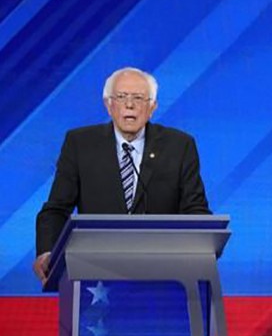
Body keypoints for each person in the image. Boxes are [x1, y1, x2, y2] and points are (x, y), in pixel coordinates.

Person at [33, 67, 211, 283]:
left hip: (163, 274)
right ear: (109, 105)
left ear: (152, 107)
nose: (129, 105)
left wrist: (202, 250)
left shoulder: (179, 146)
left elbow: (195, 210)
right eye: (121, 97)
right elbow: (56, 210)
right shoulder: (80, 144)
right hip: (94, 272)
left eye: (138, 98)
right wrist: (47, 252)